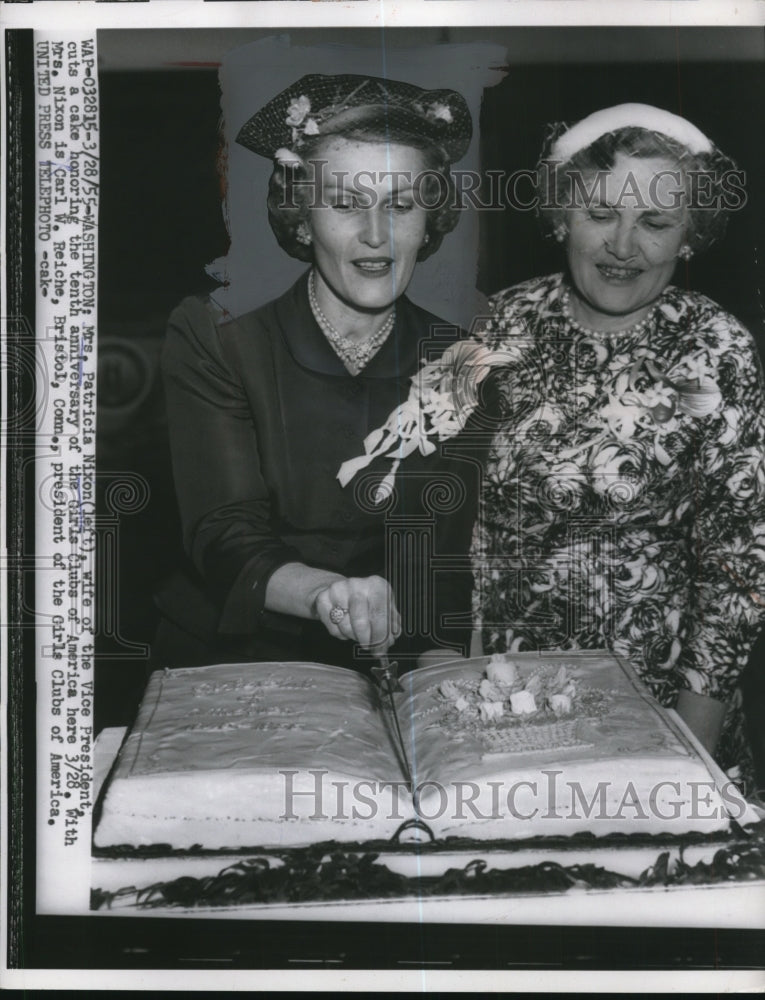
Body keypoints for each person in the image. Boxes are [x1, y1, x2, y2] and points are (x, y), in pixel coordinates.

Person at [471, 103, 765, 781]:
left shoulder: (718, 349)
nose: (622, 247)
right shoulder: (498, 322)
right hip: (509, 702)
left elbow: (737, 570)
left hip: (659, 710)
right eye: (600, 214)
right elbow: (462, 522)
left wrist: (688, 756)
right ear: (558, 215)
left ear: (690, 235)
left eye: (654, 223)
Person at [157, 74, 481, 673]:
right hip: (229, 659)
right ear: (302, 219)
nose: (376, 236)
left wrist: (443, 686)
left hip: (389, 664)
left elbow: (440, 558)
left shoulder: (458, 358)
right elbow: (224, 534)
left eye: (401, 205)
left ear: (429, 222)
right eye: (345, 203)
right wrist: (328, 593)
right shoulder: (216, 336)